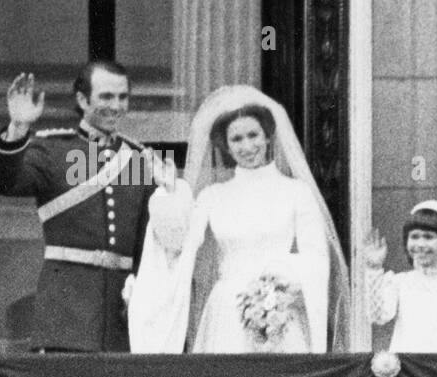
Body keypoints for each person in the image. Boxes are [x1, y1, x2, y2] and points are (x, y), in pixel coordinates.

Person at [128, 86, 351, 353]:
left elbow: (316, 258)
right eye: (236, 139)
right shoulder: (212, 196)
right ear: (226, 145)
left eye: (253, 135)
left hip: (280, 313)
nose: (247, 146)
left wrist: (277, 287)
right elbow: (178, 244)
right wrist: (171, 192)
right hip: (226, 314)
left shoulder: (296, 192)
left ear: (268, 137)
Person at [0, 61, 156, 352]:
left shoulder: (138, 159)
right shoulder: (53, 149)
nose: (116, 106)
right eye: (106, 97)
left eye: (122, 97)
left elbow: (145, 242)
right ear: (82, 99)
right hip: (65, 316)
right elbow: (3, 183)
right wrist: (18, 128)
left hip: (122, 316)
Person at [363, 200, 437, 352]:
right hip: (406, 371)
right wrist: (374, 268)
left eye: (428, 237)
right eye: (414, 236)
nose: (420, 244)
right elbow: (377, 316)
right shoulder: (399, 282)